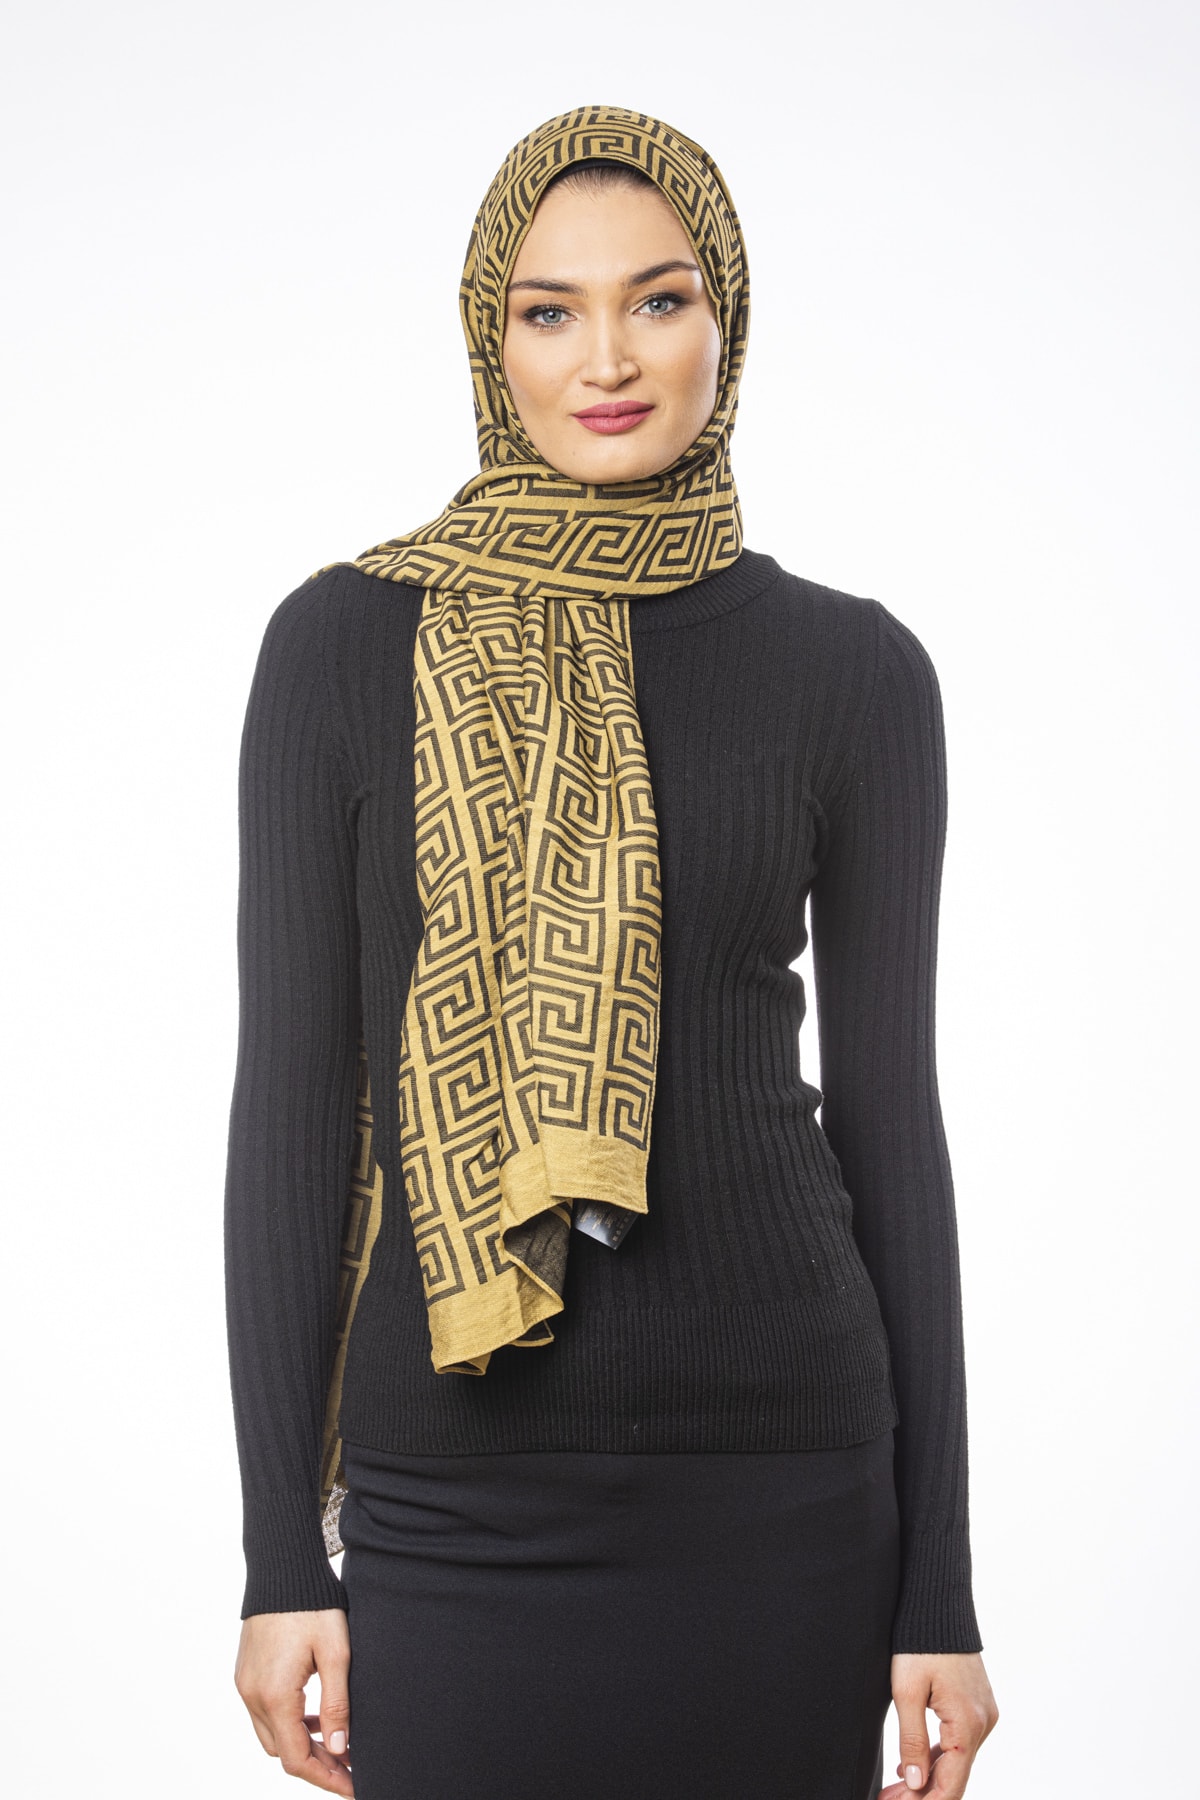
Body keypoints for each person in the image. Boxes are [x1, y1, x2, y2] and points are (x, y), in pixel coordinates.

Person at [225, 103, 999, 1800]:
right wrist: (282, 1554)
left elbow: (894, 1129)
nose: (607, 360)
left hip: (787, 1489)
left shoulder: (855, 672)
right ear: (488, 338)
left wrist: (938, 1584)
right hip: (453, 1495)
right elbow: (293, 1112)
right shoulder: (343, 646)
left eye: (658, 299)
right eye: (549, 310)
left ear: (728, 315)